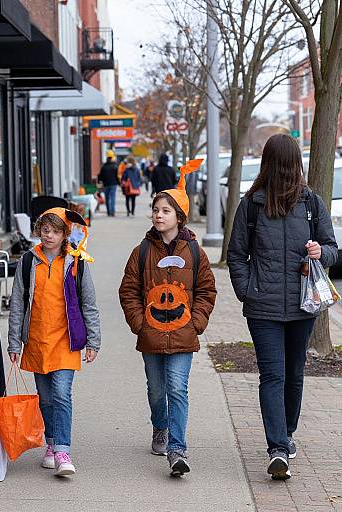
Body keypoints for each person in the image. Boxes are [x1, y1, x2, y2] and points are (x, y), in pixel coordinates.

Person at [227, 134, 338, 480]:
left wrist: (322, 252)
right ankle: (277, 448)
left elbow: (333, 248)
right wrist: (248, 291)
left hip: (304, 307)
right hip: (263, 309)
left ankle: (286, 435)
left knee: (294, 375)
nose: (291, 170)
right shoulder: (253, 205)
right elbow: (236, 255)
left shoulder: (311, 204)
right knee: (272, 376)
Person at [119, 160, 216, 476]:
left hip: (183, 333)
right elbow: (128, 290)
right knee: (157, 390)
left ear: (179, 217)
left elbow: (206, 291)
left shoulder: (196, 253)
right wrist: (140, 323)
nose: (158, 215)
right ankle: (159, 425)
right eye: (156, 210)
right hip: (151, 333)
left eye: (165, 211)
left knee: (177, 388)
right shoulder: (142, 251)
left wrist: (196, 323)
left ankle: (177, 449)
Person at [8, 208, 101, 477]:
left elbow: (89, 304)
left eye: (56, 231)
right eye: (45, 230)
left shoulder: (76, 263)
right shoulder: (28, 262)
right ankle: (50, 443)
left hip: (65, 340)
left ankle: (62, 451)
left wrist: (93, 340)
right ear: (39, 231)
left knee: (61, 394)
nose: (49, 235)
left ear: (65, 234)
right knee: (46, 399)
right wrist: (14, 342)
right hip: (37, 341)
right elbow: (17, 304)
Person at [97, 150, 119, 216]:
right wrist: (118, 183)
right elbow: (117, 176)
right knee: (112, 198)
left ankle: (109, 212)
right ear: (112, 157)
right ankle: (112, 212)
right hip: (113, 184)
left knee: (107, 198)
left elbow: (100, 176)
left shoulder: (104, 167)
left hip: (106, 184)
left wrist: (100, 183)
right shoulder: (115, 166)